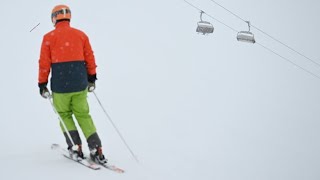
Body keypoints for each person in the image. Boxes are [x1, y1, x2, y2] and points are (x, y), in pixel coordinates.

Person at [38, 4, 107, 164]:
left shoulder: (49, 38)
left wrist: (42, 84)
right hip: (79, 84)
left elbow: (44, 63)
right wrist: (92, 78)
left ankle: (75, 146)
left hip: (60, 87)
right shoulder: (81, 35)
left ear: (54, 18)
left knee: (64, 115)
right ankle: (96, 148)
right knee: (83, 114)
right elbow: (90, 58)